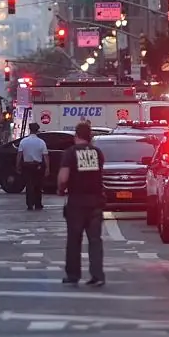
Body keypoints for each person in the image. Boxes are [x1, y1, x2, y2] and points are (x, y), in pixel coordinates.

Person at [57, 122, 106, 287]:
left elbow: (64, 177)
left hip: (76, 202)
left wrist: (61, 189)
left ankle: (73, 275)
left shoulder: (70, 153)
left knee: (74, 240)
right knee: (95, 240)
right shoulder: (97, 153)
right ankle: (97, 275)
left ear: (76, 136)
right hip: (96, 201)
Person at [17, 122, 49, 210]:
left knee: (29, 185)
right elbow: (45, 156)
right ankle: (38, 204)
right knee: (38, 185)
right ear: (37, 130)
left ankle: (30, 204)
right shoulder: (41, 142)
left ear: (30, 130)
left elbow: (19, 155)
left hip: (27, 166)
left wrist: (18, 165)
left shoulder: (23, 141)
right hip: (38, 166)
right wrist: (47, 168)